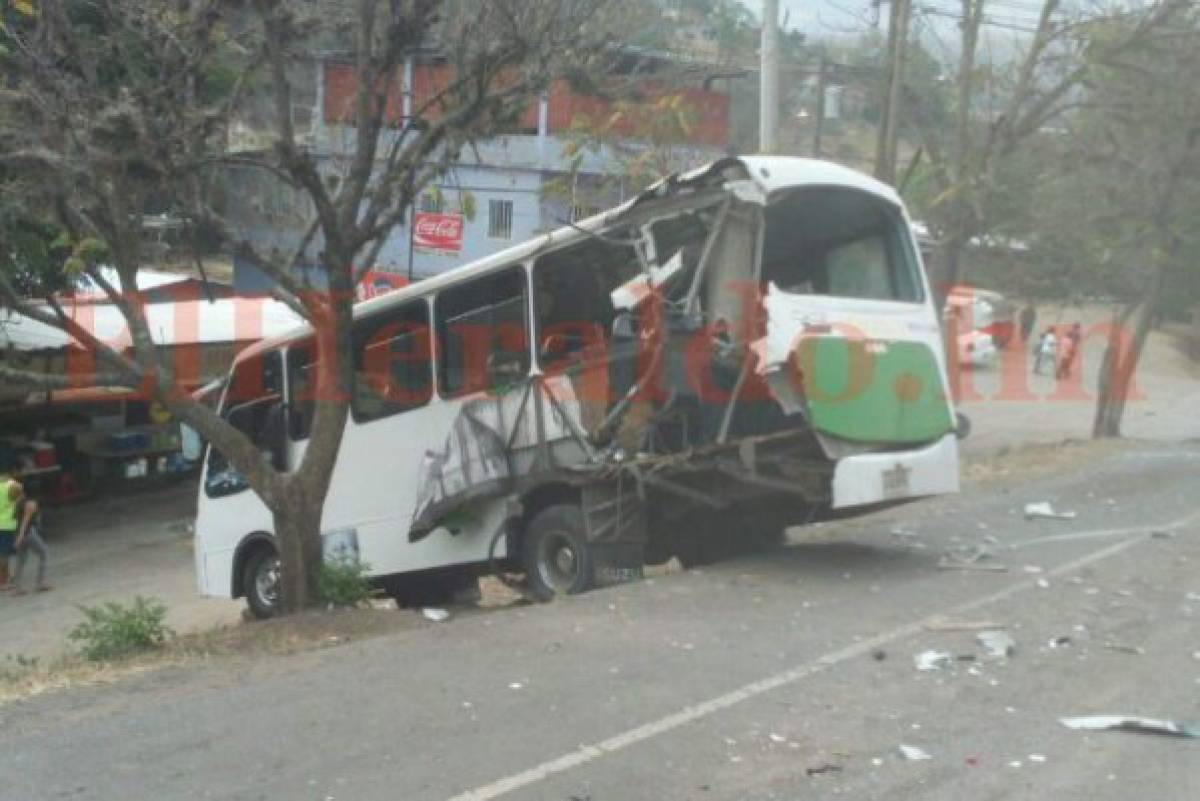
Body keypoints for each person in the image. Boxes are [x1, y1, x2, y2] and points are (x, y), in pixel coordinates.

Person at [11, 495, 49, 595]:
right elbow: (25, 521)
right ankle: (40, 583)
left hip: (18, 532)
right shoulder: (31, 504)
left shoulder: (18, 504)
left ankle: (17, 588)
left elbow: (17, 521)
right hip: (28, 534)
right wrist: (20, 537)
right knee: (44, 553)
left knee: (21, 560)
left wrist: (17, 536)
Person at [0, 459, 22, 590]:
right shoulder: (14, 486)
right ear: (14, 471)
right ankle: (2, 581)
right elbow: (19, 503)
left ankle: (6, 577)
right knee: (3, 554)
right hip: (6, 524)